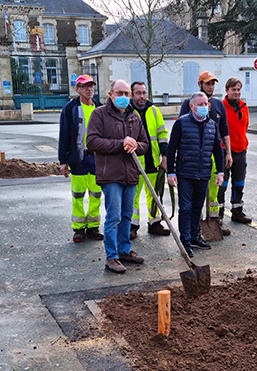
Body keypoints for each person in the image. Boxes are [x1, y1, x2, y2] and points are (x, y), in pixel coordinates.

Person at [85, 80, 150, 274]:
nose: (124, 97)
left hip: (130, 175)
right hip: (110, 175)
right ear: (111, 94)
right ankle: (111, 257)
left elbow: (145, 144)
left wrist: (136, 146)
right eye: (119, 93)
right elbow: (92, 142)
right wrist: (121, 143)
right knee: (113, 216)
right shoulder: (100, 114)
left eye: (127, 93)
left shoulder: (134, 117)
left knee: (126, 216)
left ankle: (124, 250)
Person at [166, 92, 224, 258]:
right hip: (185, 173)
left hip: (204, 173)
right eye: (200, 104)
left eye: (206, 104)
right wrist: (171, 172)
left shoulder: (212, 124)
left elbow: (218, 151)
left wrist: (220, 172)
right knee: (185, 208)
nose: (204, 107)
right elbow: (172, 149)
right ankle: (184, 241)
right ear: (191, 106)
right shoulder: (181, 123)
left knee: (197, 208)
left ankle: (194, 237)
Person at [179, 71, 232, 236]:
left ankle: (214, 222)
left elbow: (224, 130)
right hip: (195, 158)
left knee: (214, 194)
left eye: (213, 84)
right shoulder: (189, 103)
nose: (211, 86)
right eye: (208, 83)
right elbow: (183, 129)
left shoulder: (218, 104)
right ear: (200, 84)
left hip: (213, 156)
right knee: (196, 196)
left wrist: (228, 153)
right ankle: (197, 228)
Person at [58, 74, 103, 242]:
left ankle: (92, 227)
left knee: (96, 194)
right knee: (78, 195)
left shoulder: (100, 108)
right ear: (77, 89)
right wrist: (63, 161)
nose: (89, 89)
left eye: (91, 85)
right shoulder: (70, 109)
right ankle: (78, 229)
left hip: (97, 158)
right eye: (84, 86)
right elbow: (64, 135)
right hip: (79, 158)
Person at [128, 81, 170, 239]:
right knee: (132, 197)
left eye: (144, 93)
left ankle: (155, 223)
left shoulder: (154, 111)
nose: (142, 96)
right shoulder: (127, 111)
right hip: (134, 163)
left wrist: (165, 157)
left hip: (152, 161)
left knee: (154, 195)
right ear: (132, 94)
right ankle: (132, 226)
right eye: (138, 93)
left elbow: (162, 134)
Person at [221, 77, 252, 224]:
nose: (236, 92)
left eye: (238, 89)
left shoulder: (244, 107)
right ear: (227, 91)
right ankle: (218, 214)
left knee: (239, 182)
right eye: (233, 89)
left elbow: (245, 127)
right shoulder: (221, 107)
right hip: (225, 151)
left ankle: (237, 211)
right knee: (222, 183)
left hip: (241, 150)